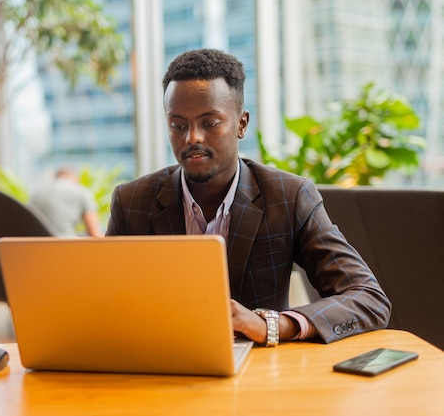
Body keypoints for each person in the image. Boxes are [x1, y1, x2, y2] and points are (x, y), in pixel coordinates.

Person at [106, 49, 391, 346]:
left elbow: (368, 298)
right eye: (178, 125)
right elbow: (103, 301)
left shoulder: (288, 196)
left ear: (241, 124)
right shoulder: (132, 202)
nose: (192, 138)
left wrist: (276, 324)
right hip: (160, 366)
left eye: (209, 123)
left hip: (257, 374)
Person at [30, 167, 104, 237]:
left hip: (38, 245)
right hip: (66, 245)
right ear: (75, 178)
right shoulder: (81, 191)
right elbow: (95, 234)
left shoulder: (36, 192)